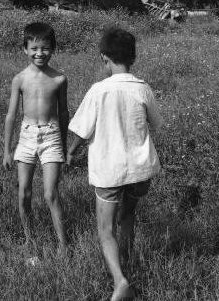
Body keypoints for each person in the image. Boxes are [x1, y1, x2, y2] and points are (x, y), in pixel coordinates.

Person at [67, 27, 162, 301]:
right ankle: (128, 264)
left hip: (109, 171)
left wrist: (72, 153)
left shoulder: (98, 90)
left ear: (103, 58)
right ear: (132, 58)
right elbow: (156, 124)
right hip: (140, 170)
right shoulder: (142, 88)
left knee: (105, 228)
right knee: (128, 217)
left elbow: (82, 131)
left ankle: (121, 282)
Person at [3, 22, 69, 254]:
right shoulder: (19, 79)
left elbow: (63, 113)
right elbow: (11, 115)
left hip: (51, 136)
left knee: (51, 193)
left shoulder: (59, 79)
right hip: (27, 135)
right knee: (24, 193)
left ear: (53, 49)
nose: (39, 53)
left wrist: (64, 145)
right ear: (25, 49)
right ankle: (29, 239)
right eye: (34, 48)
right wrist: (7, 150)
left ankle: (63, 246)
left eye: (45, 48)